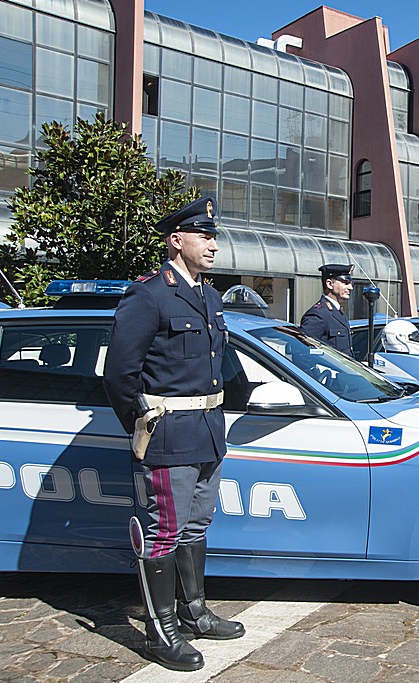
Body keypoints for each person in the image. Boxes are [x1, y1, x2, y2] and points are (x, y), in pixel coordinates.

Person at [103, 197, 244, 672]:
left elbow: (219, 365)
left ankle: (194, 611)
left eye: (214, 236)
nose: (213, 244)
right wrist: (143, 426)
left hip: (207, 432)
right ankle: (160, 630)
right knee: (163, 532)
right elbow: (120, 374)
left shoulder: (208, 294)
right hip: (168, 436)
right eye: (204, 235)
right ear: (176, 239)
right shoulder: (148, 295)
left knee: (198, 525)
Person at [301, 263, 354, 357]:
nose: (350, 287)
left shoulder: (337, 311)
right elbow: (303, 352)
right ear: (329, 284)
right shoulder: (318, 314)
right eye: (345, 282)